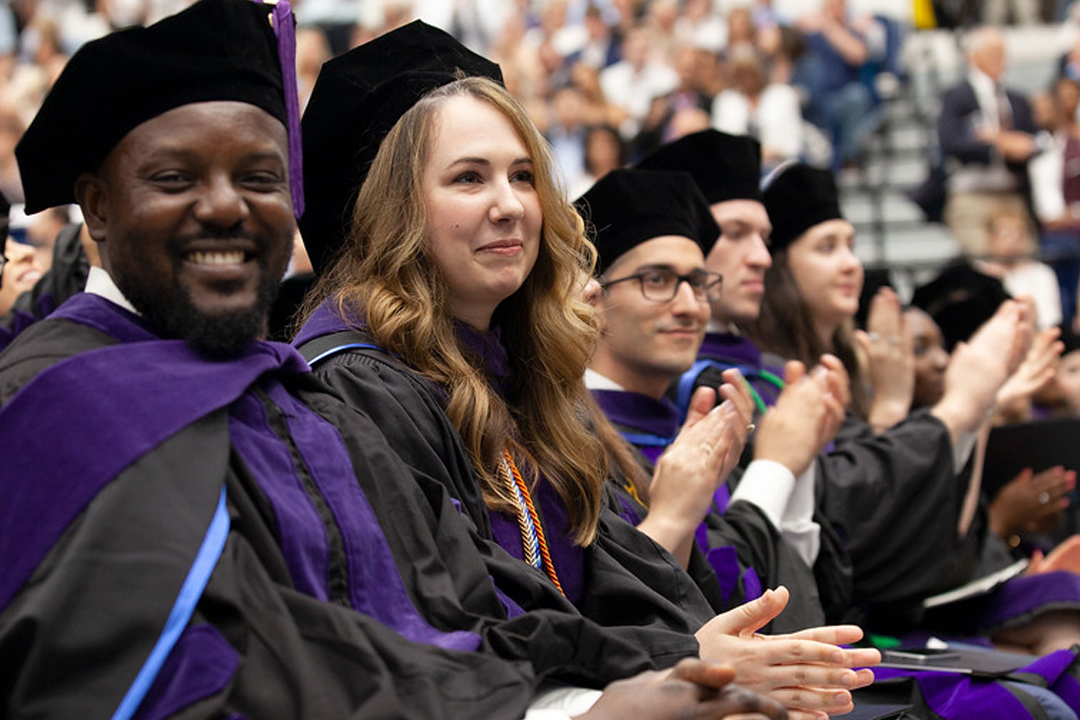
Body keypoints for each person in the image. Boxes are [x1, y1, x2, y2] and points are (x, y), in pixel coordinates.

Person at [0, 4, 791, 719]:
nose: (226, 206)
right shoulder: (62, 407)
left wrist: (658, 666)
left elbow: (416, 628)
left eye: (262, 177)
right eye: (176, 178)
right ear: (97, 207)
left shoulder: (281, 400)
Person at [295, 20, 877, 719]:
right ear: (391, 210)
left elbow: (606, 583)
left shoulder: (522, 381)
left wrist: (693, 654)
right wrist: (675, 663)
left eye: (521, 175)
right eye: (468, 178)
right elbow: (436, 635)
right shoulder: (359, 386)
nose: (510, 205)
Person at [577, 165, 847, 633]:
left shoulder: (694, 422)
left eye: (698, 283)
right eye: (657, 280)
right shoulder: (570, 441)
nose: (689, 306)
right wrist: (774, 466)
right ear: (593, 302)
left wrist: (795, 465)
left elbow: (784, 590)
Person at [938, 26, 1038, 259]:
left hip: (1012, 193)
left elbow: (1034, 141)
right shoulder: (956, 96)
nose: (1001, 60)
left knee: (1026, 261)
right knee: (984, 262)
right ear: (973, 55)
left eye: (1003, 53)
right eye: (993, 52)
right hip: (973, 195)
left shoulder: (1016, 99)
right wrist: (998, 145)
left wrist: (1001, 139)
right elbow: (950, 142)